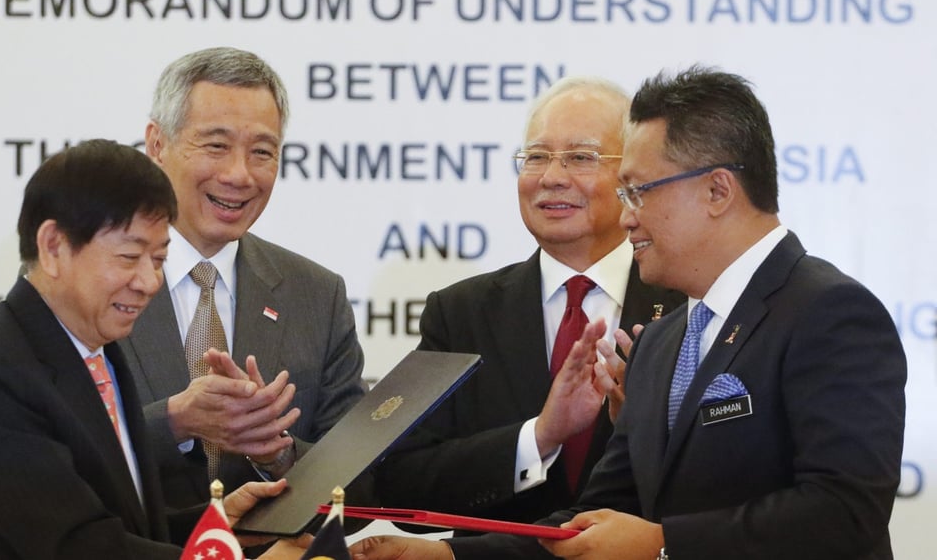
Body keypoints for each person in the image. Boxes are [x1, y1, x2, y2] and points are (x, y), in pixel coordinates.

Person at [351, 66, 907, 560]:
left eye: (639, 192)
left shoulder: (831, 313)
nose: (627, 217)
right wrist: (450, 558)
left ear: (717, 190)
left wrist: (664, 545)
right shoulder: (666, 340)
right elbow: (595, 519)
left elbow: (844, 511)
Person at [0, 139, 309, 559]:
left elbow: (120, 520)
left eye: (158, 260)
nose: (148, 282)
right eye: (129, 257)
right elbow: (74, 545)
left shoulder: (99, 351)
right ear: (53, 246)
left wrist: (215, 525)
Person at [373, 76, 684, 527]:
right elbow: (399, 486)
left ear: (633, 177)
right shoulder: (461, 314)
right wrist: (537, 438)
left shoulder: (687, 303)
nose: (552, 178)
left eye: (581, 157)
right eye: (536, 157)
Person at [119, 47, 367, 532]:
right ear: (157, 144)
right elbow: (47, 451)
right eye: (215, 145)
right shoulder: (95, 280)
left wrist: (279, 453)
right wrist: (174, 421)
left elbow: (359, 490)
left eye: (262, 152)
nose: (239, 175)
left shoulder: (317, 295)